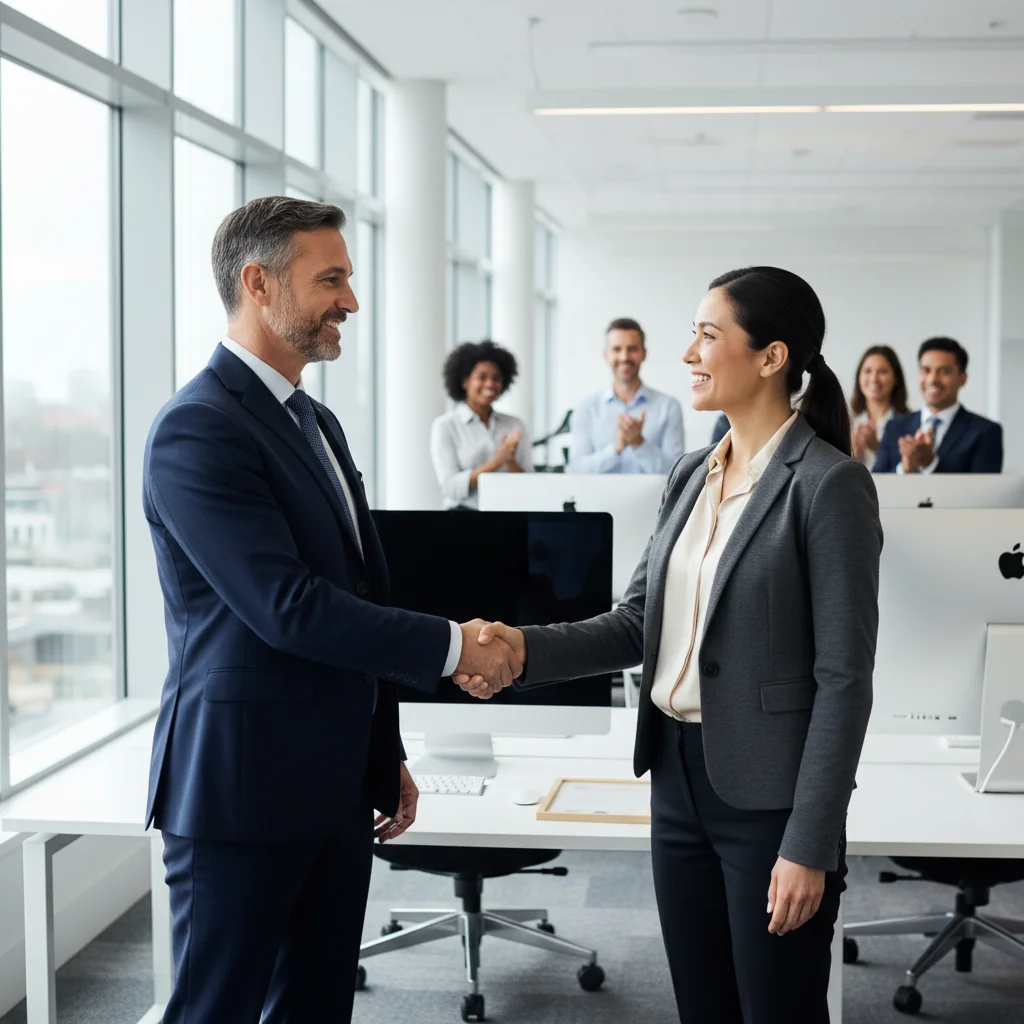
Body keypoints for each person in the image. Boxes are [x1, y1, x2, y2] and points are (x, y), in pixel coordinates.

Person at [458, 267, 882, 1024]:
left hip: (769, 798)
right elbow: (636, 621)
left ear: (771, 357)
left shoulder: (828, 485)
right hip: (678, 782)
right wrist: (519, 649)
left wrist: (812, 842)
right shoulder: (692, 473)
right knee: (702, 1006)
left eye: (707, 335)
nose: (687, 353)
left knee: (777, 1010)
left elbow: (844, 679)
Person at [142, 196, 521, 1024]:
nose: (350, 299)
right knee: (218, 1010)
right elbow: (288, 609)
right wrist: (457, 646)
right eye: (332, 279)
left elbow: (358, 592)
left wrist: (380, 753)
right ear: (258, 283)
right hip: (240, 792)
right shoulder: (197, 430)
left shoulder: (316, 421)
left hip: (335, 785)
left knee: (316, 1008)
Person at [569, 317, 686, 473]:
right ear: (606, 355)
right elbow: (576, 471)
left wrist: (639, 443)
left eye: (632, 349)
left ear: (644, 353)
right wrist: (616, 448)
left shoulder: (669, 407)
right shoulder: (586, 408)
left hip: (653, 498)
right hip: (599, 498)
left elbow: (677, 473)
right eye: (617, 349)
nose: (624, 357)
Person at [873, 337, 1003, 474]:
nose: (932, 379)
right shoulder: (894, 427)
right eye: (926, 370)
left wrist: (930, 464)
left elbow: (984, 492)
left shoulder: (986, 432)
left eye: (944, 371)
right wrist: (905, 468)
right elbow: (875, 486)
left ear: (963, 378)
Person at [430, 340, 532, 509]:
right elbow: (451, 487)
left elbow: (529, 484)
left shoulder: (514, 424)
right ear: (465, 382)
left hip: (509, 517)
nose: (490, 384)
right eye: (482, 377)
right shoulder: (446, 426)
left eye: (496, 378)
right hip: (463, 518)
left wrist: (509, 461)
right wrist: (496, 462)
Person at [849, 346, 910, 470]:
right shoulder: (848, 422)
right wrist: (853, 456)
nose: (874, 379)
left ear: (896, 378)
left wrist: (878, 448)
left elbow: (908, 470)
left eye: (882, 371)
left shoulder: (910, 424)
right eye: (867, 371)